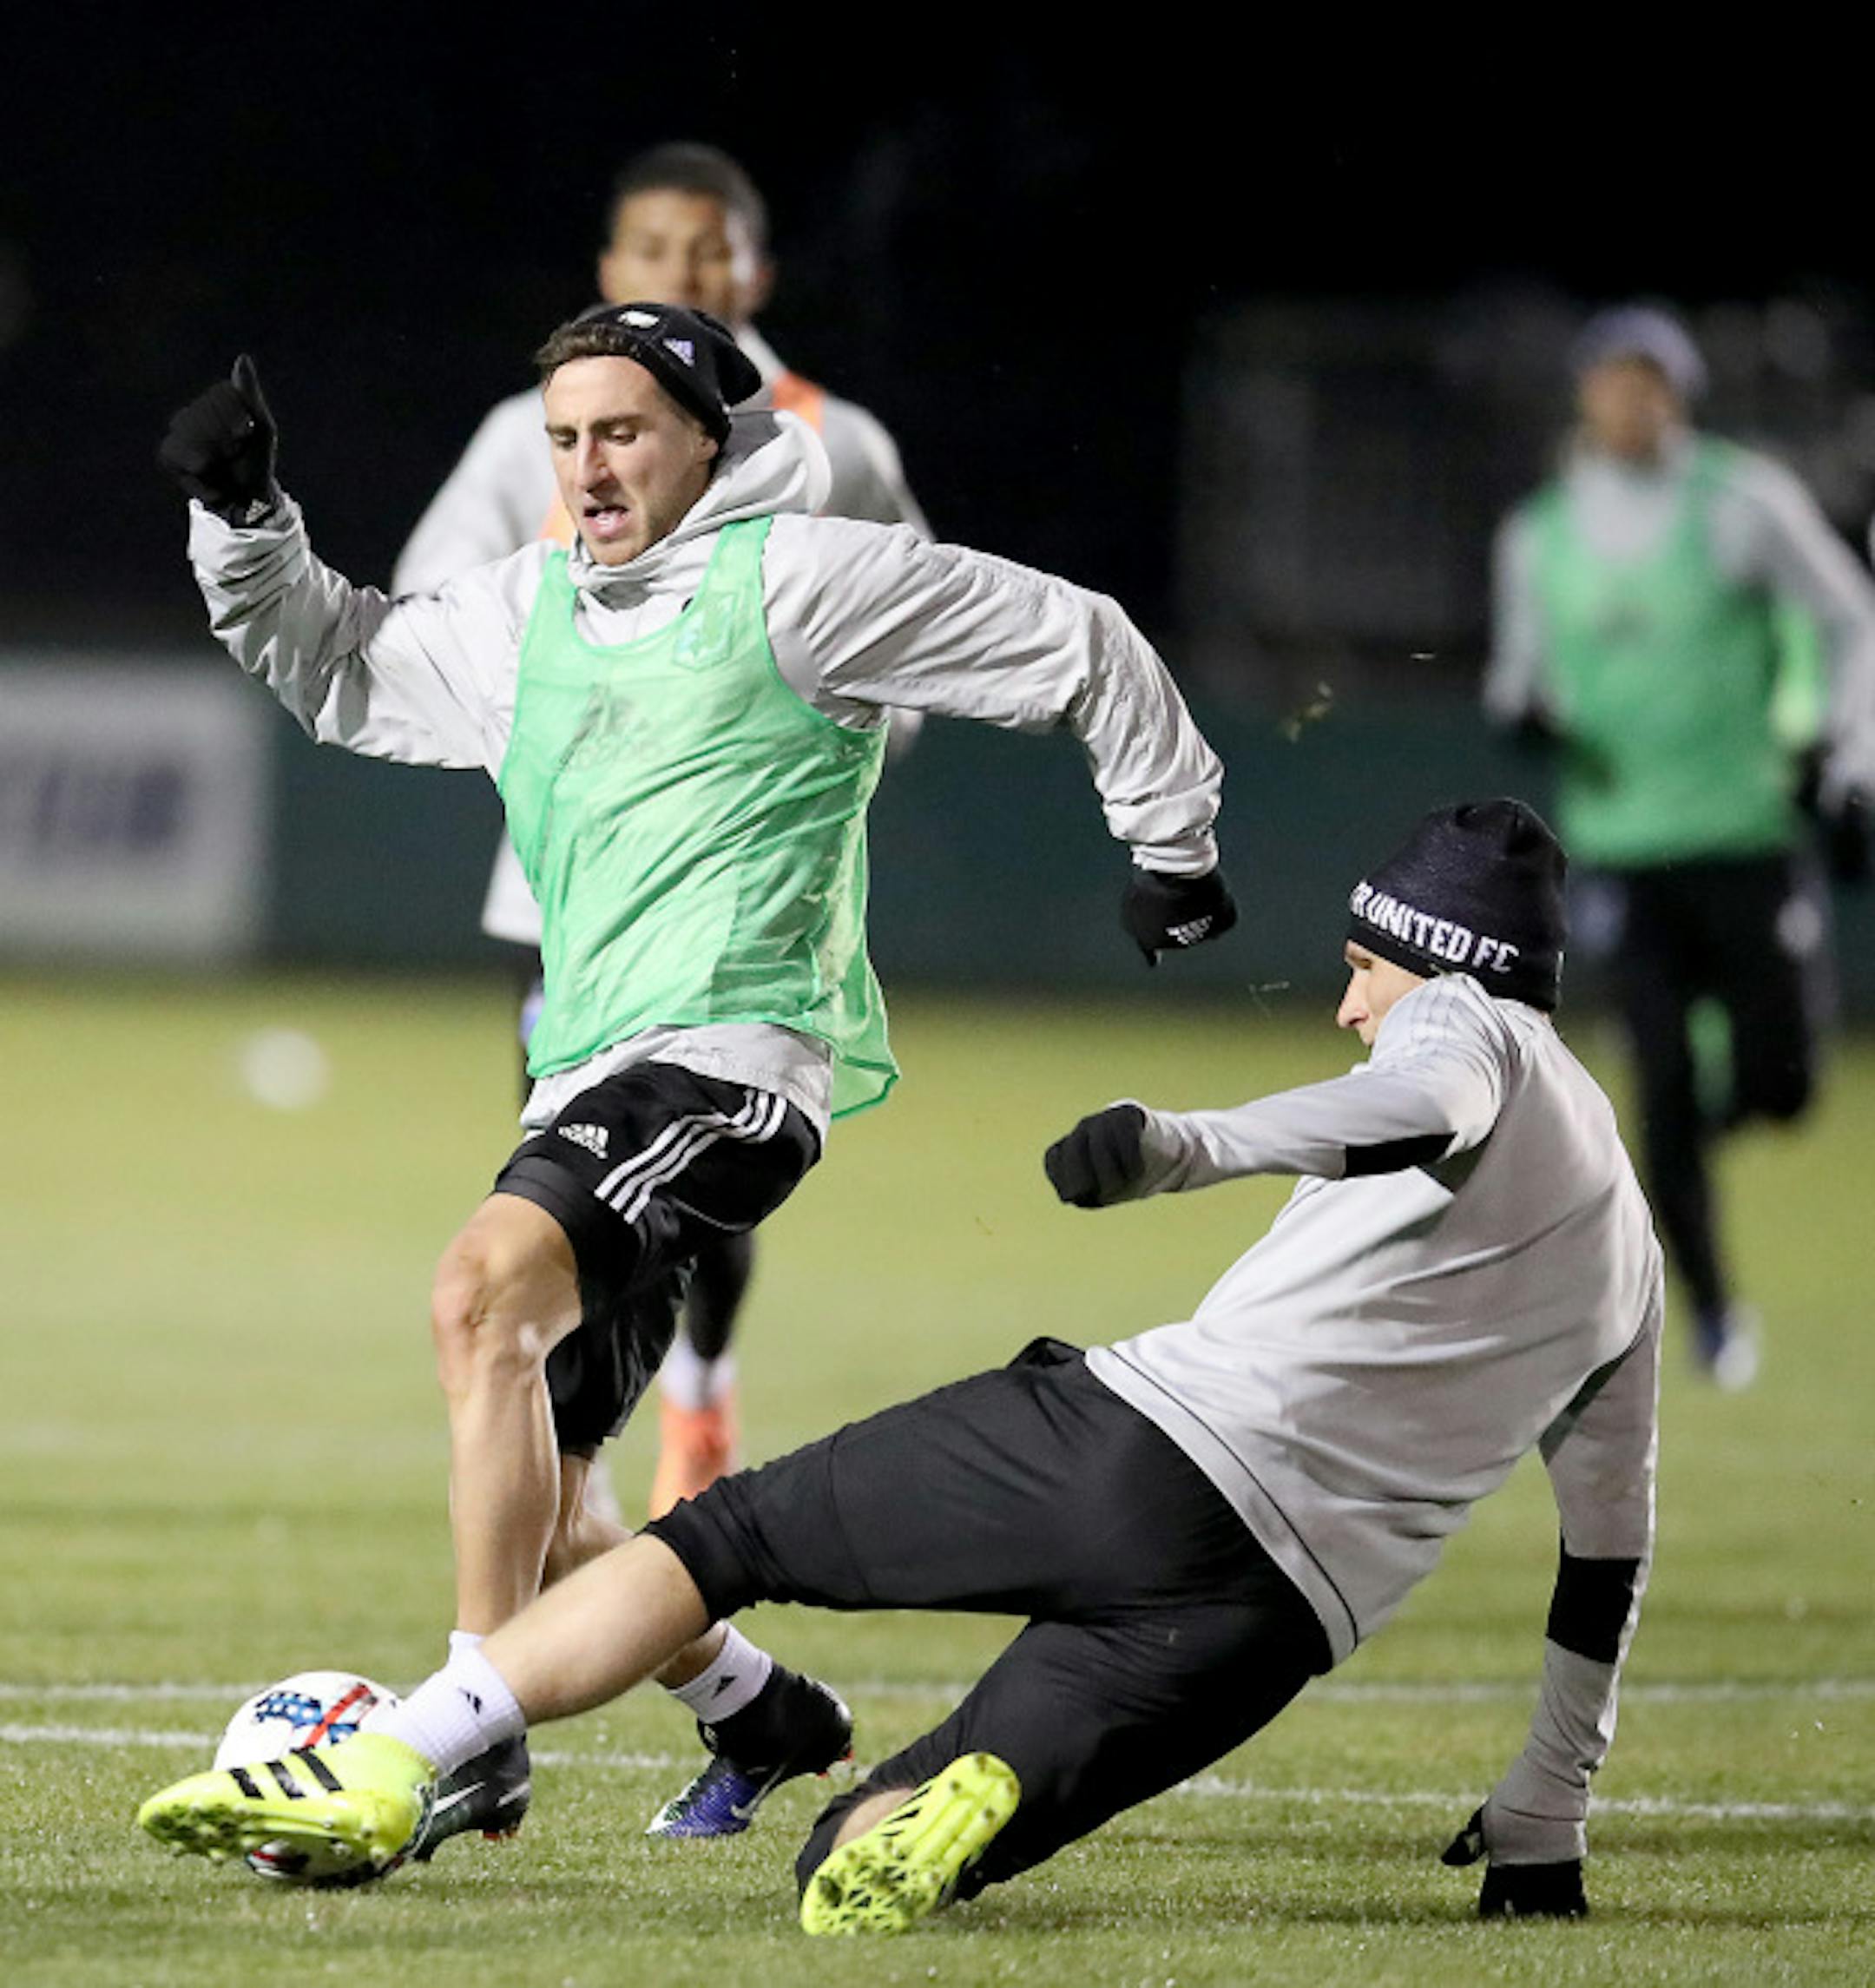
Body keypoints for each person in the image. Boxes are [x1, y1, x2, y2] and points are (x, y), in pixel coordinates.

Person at [139, 799, 1662, 1933]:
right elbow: (1607, 1549)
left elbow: (1421, 1102)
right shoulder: (1630, 1261)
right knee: (853, 1853)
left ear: (1446, 961)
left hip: (1139, 1452)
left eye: (1364, 968)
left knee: (721, 1537)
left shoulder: (1468, 1031)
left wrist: (1187, 1145)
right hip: (1268, 1627)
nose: (1348, 1005)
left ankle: (400, 1756)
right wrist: (1546, 1808)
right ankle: (955, 1797)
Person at [150, 304, 1236, 1857]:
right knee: (548, 1511)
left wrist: (1172, 844)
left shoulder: (800, 579)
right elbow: (338, 665)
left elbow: (1079, 639)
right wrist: (245, 517)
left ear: (707, 440)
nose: (588, 469)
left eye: (623, 434)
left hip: (732, 1067)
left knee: (477, 1296)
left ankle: (456, 1739)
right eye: (565, 440)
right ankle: (754, 1702)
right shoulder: (525, 612)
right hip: (587, 1078)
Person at [396, 142, 933, 1524]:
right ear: (609, 267)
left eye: (708, 248)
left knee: (690, 1164)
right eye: (653, 248)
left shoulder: (833, 440)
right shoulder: (543, 429)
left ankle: (689, 1393)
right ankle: (588, 1471)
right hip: (571, 891)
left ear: (756, 269)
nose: (680, 271)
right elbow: (428, 601)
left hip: (741, 893)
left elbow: (916, 642)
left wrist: (808, 746)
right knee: (572, 1165)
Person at [1484, 301, 1875, 1388]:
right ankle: (1709, 1313)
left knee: (1786, 1085)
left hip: (1747, 839)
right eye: (1614, 378)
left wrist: (1853, 762)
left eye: (1651, 379)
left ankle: (1704, 1126)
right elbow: (1517, 675)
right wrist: (1526, 711)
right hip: (1622, 854)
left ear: (1682, 395)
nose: (1632, 399)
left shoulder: (1743, 503)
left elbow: (1853, 618)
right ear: (1584, 395)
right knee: (1655, 1082)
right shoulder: (1538, 534)